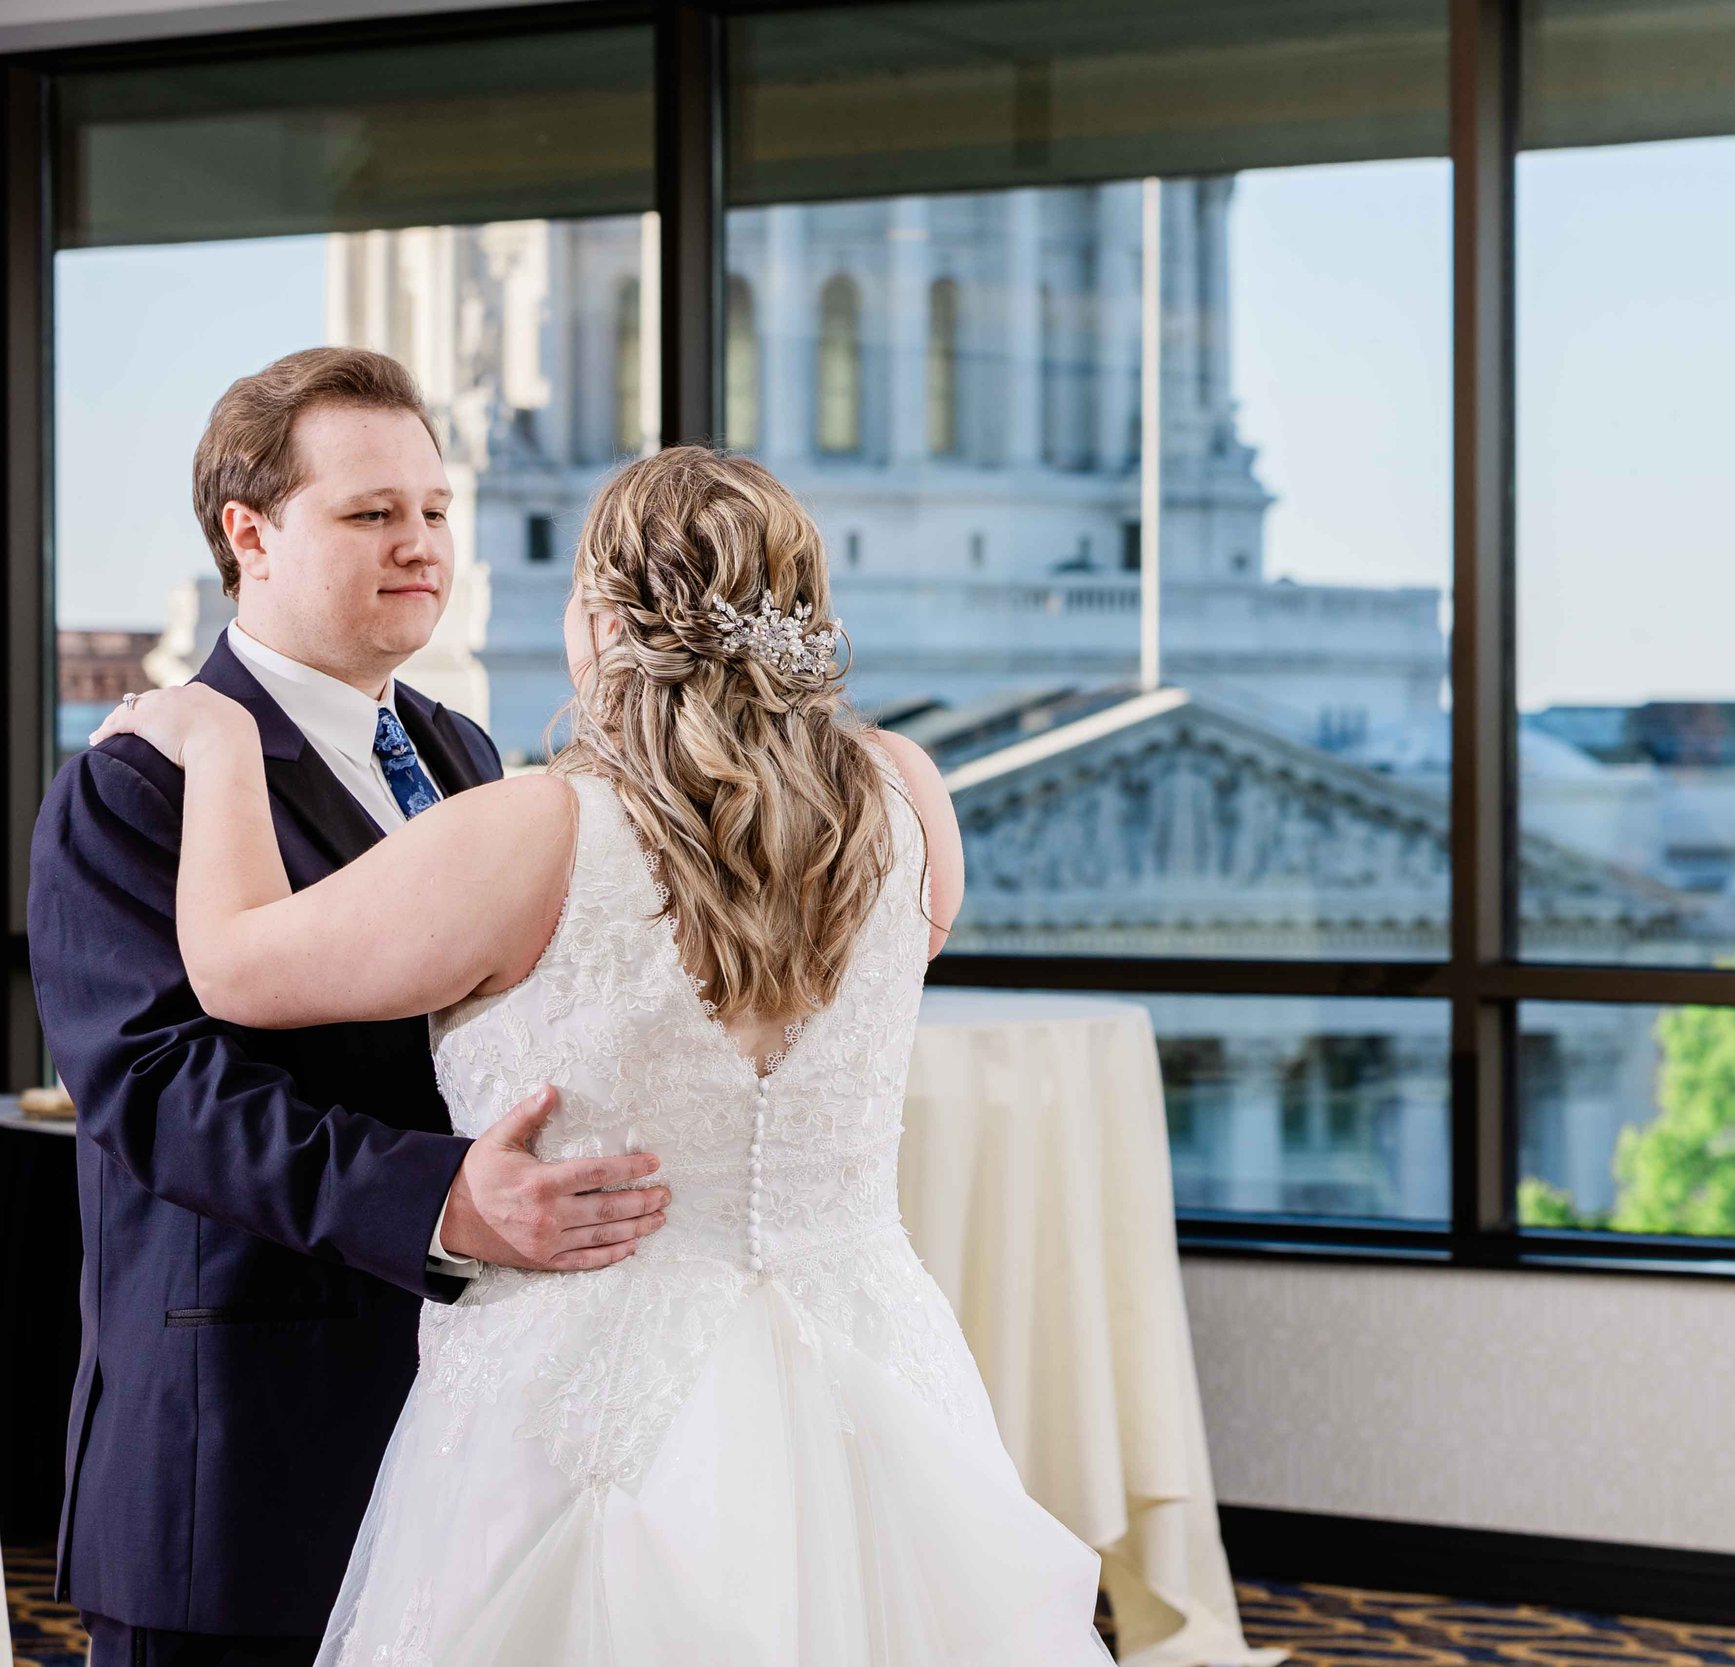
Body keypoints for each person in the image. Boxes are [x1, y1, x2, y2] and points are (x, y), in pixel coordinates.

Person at [90, 443, 1117, 1664]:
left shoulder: (537, 825)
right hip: (870, 1361)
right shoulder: (908, 791)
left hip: (590, 1383)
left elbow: (235, 967)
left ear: (598, 618)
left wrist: (211, 747)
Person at [28, 347, 671, 1667]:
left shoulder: (459, 747)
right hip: (243, 1448)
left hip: (458, 1427)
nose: (421, 544)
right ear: (249, 534)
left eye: (436, 510)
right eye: (372, 513)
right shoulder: (140, 777)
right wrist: (445, 1199)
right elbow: (159, 1092)